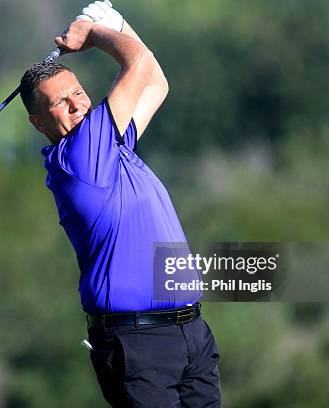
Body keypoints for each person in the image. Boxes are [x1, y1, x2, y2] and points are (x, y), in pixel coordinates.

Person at [19, 2, 221, 406]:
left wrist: (116, 23)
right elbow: (137, 62)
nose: (77, 104)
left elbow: (155, 83)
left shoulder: (112, 146)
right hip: (137, 344)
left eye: (78, 92)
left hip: (190, 335)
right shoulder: (78, 157)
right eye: (60, 102)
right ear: (39, 123)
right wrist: (92, 35)